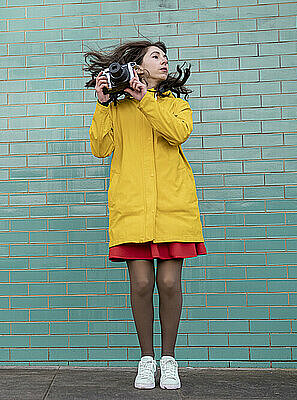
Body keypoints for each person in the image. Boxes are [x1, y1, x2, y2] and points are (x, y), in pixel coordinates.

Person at [84, 40, 207, 390]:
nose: (164, 62)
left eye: (166, 57)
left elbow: (177, 132)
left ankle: (168, 360)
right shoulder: (118, 110)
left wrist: (145, 99)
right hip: (133, 207)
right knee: (141, 284)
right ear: (137, 67)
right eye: (156, 56)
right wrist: (104, 103)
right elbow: (100, 148)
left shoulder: (176, 105)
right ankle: (146, 360)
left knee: (169, 283)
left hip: (172, 206)